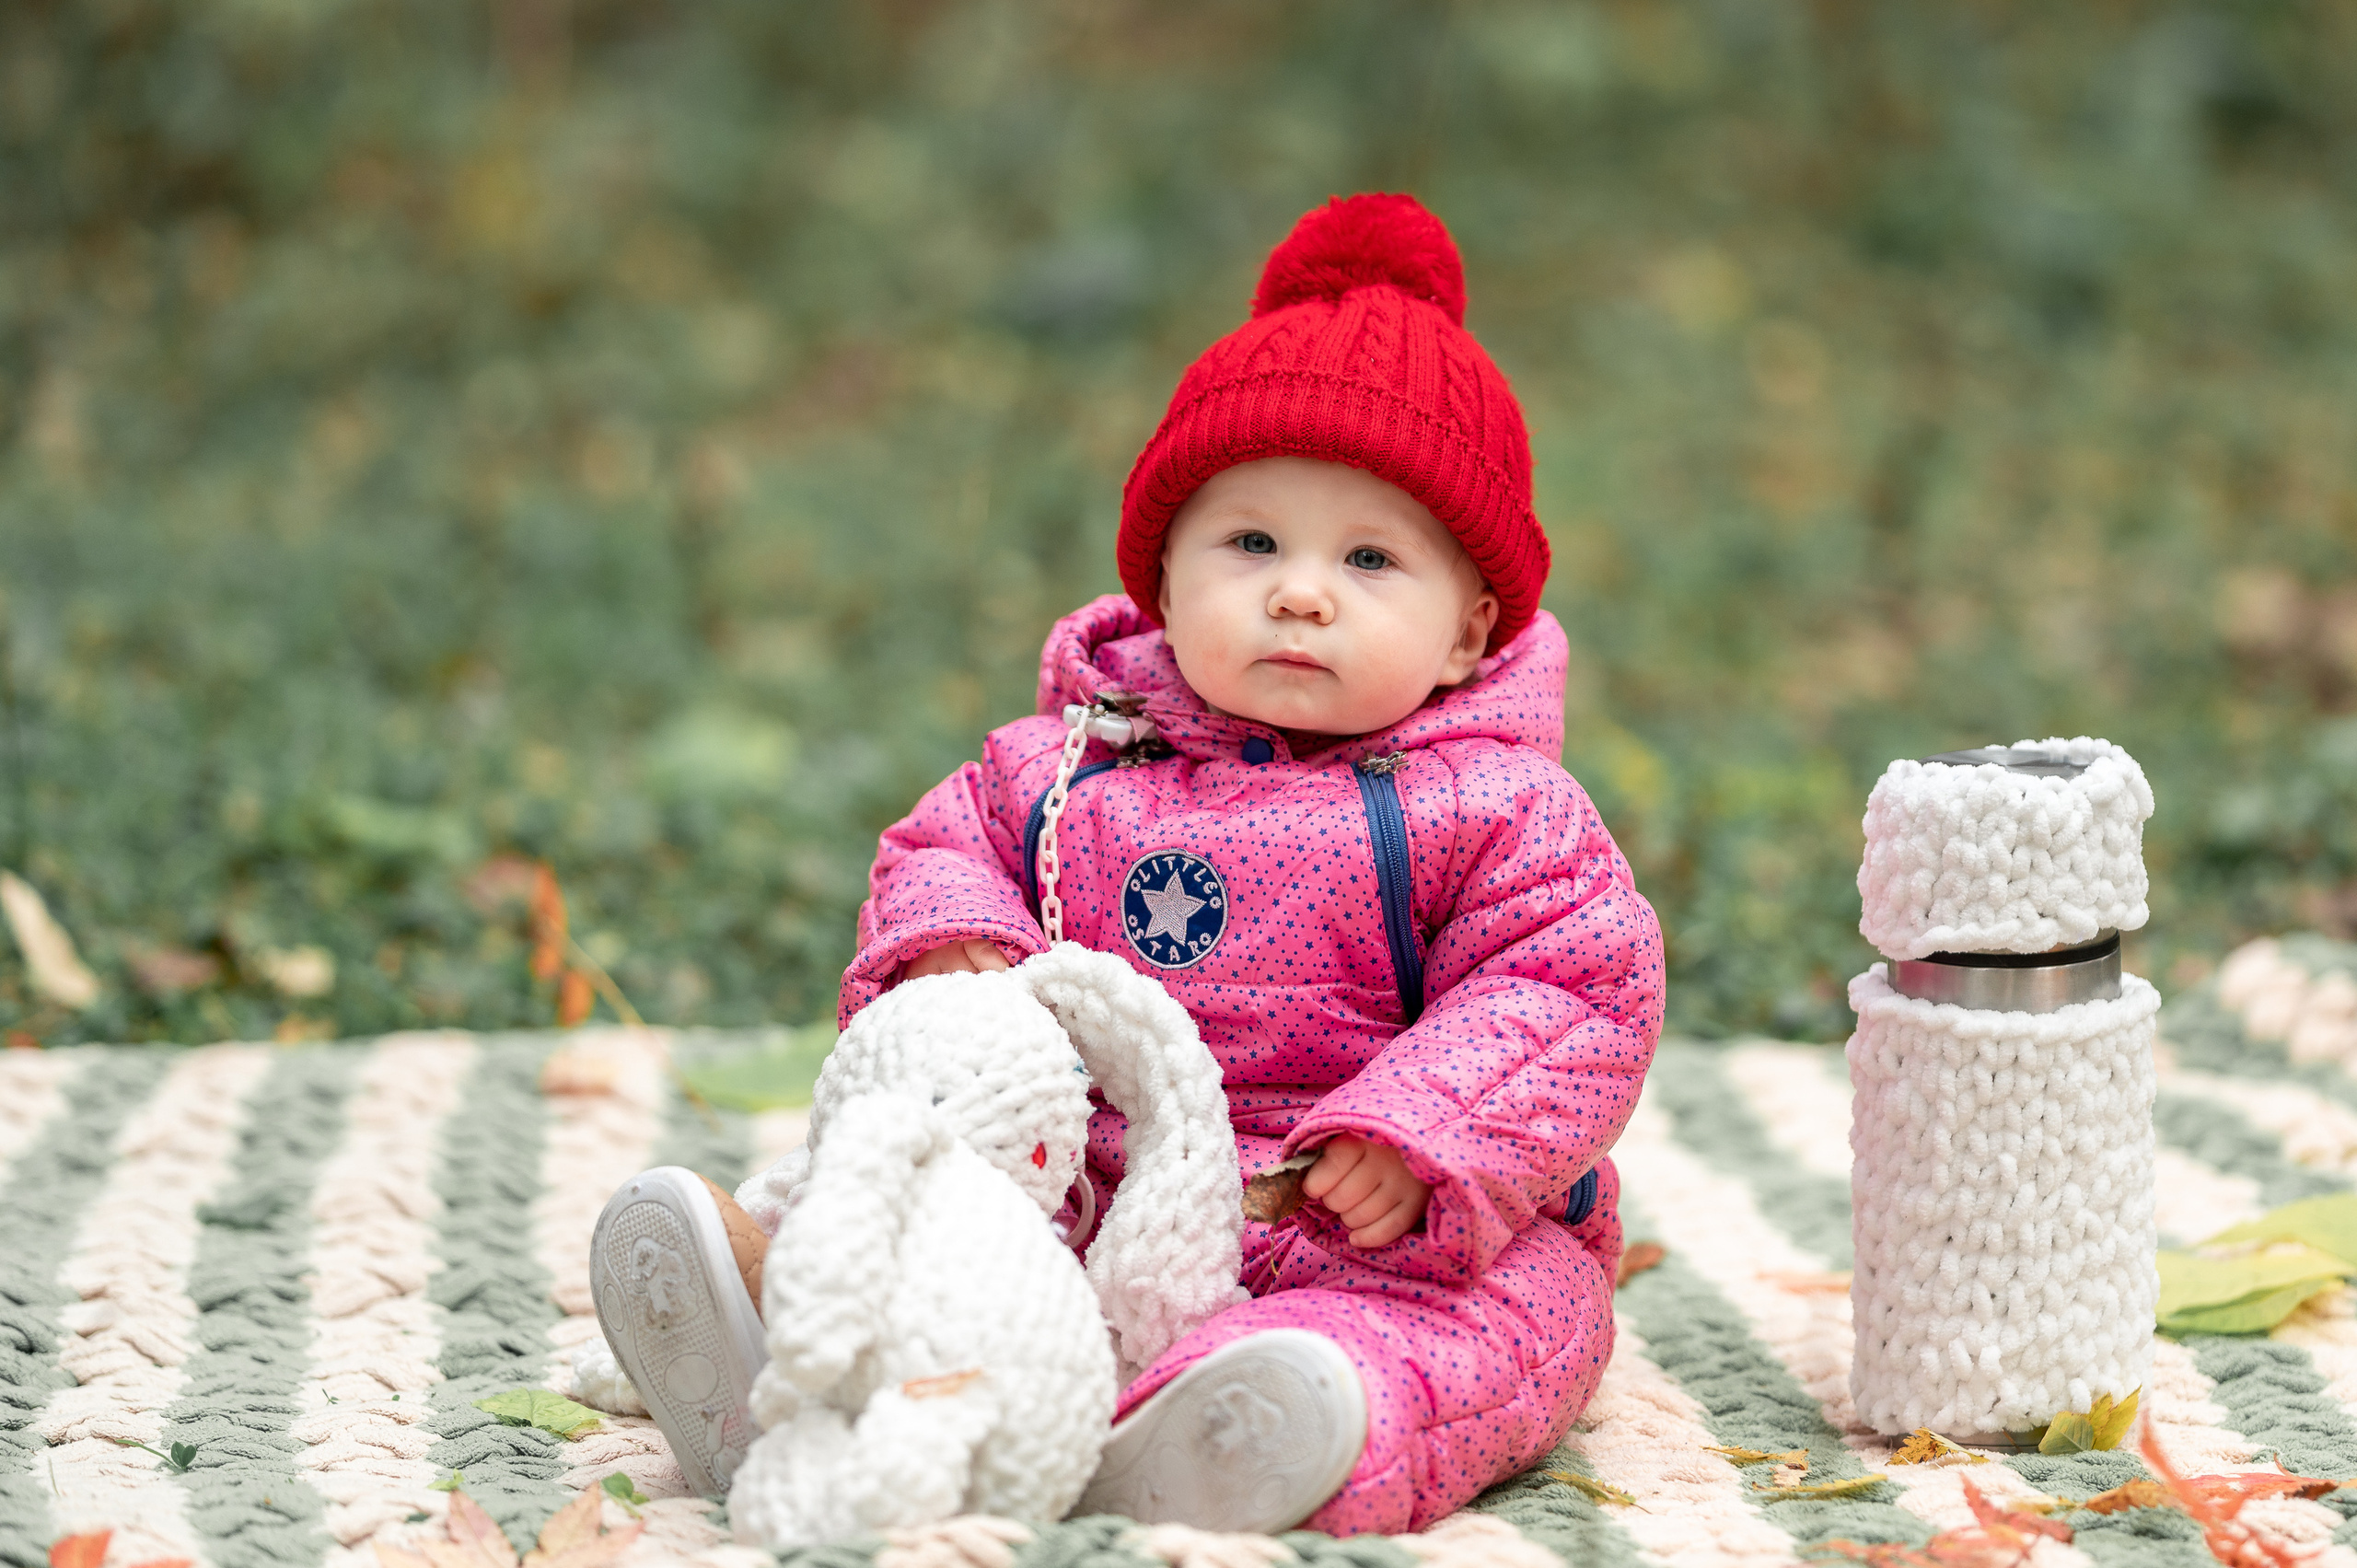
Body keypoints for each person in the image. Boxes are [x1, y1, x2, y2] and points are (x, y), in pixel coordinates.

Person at [587, 192, 1664, 1538]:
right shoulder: (1070, 766)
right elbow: (942, 845)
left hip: (1361, 1224)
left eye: (1370, 558)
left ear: (1468, 634)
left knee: (1515, 1323)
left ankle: (1275, 1418)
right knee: (930, 1228)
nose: (1301, 590)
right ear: (1164, 579)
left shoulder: (1498, 812)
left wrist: (1426, 1137)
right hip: (1089, 1193)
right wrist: (950, 951)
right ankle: (793, 1362)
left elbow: (1567, 989)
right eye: (1252, 542)